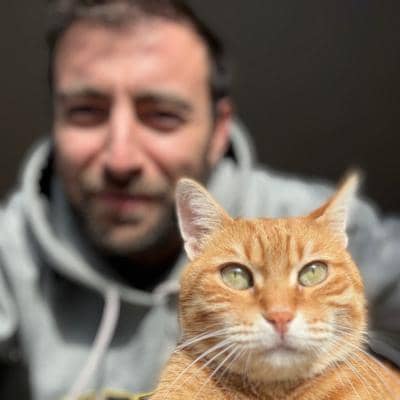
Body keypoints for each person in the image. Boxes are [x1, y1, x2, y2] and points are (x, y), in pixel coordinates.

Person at [0, 1, 399, 399]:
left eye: (162, 115)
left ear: (219, 128)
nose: (121, 159)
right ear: (54, 120)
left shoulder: (313, 218)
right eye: (86, 112)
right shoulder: (11, 246)